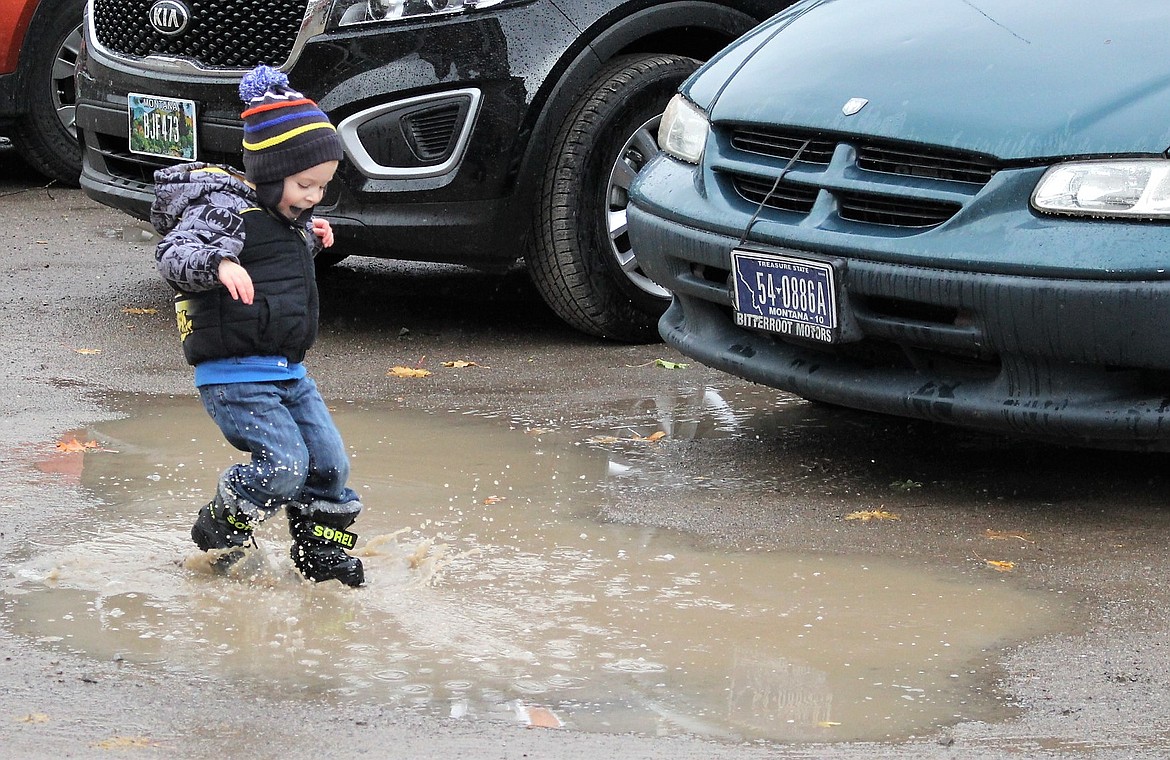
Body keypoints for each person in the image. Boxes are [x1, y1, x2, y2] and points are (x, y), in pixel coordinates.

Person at [150, 64, 364, 587]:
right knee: (285, 464)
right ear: (269, 174)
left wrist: (311, 237)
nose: (313, 195)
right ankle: (222, 528)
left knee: (330, 463)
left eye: (322, 186)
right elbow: (175, 253)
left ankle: (321, 552)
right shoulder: (223, 212)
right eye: (305, 185)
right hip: (235, 374)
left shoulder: (282, 215)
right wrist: (219, 265)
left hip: (289, 370)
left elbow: (274, 260)